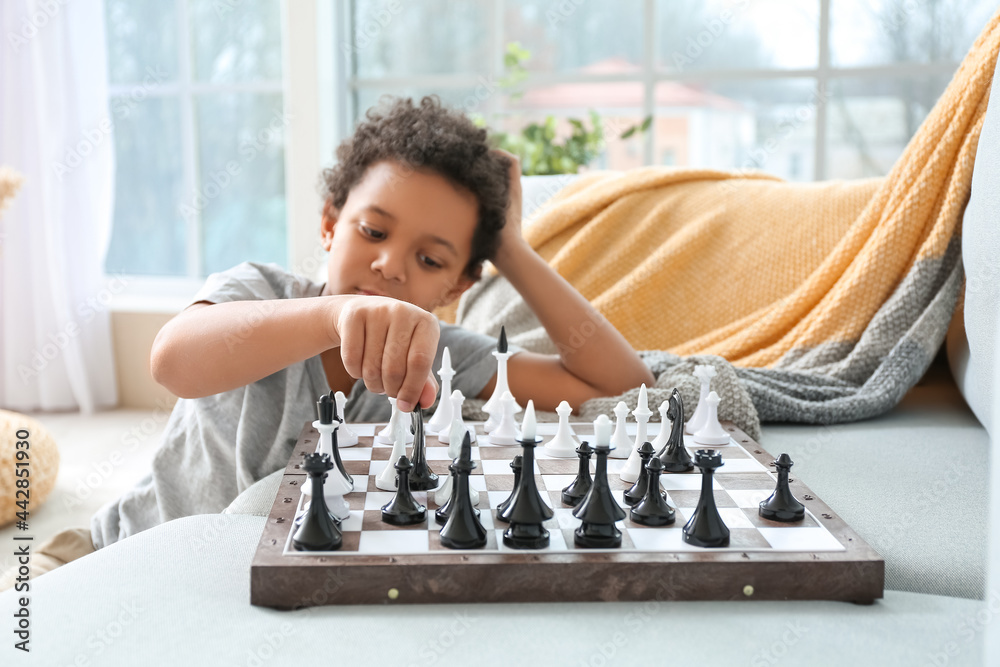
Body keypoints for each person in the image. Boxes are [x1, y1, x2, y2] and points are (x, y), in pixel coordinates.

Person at [0, 96, 652, 589]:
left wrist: (512, 248)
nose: (392, 265)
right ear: (329, 223)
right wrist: (334, 315)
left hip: (240, 589)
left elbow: (621, 385)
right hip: (116, 554)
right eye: (373, 231)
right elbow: (173, 361)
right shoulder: (259, 290)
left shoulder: (439, 353)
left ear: (456, 285)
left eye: (430, 260)